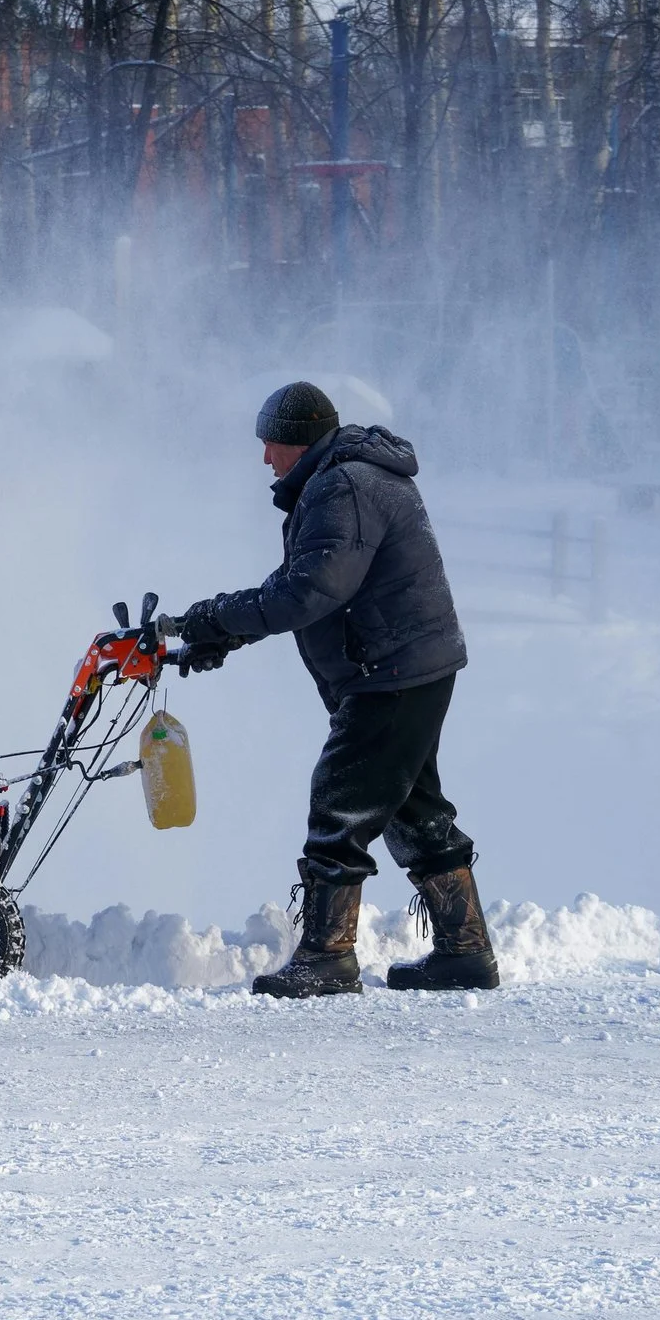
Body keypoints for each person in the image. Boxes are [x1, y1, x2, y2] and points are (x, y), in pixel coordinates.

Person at [176, 381, 500, 997]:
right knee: (413, 809)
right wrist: (223, 633)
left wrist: (217, 615)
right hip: (405, 666)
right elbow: (304, 582)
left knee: (340, 804)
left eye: (270, 443)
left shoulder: (344, 485)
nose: (264, 458)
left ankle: (328, 955)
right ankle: (465, 952)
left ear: (299, 440)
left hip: (391, 672)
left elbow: (309, 591)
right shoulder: (344, 479)